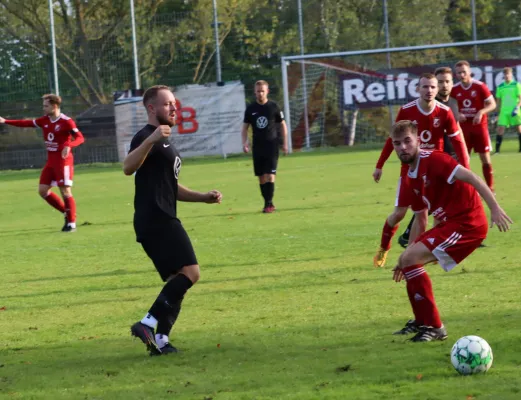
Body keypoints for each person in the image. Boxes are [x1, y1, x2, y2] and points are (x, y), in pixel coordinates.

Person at [389, 120, 512, 342]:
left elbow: (472, 177)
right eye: (398, 143)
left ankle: (436, 327)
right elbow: (420, 218)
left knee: (411, 258)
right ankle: (422, 320)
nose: (403, 147)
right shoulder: (410, 176)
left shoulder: (435, 160)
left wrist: (494, 208)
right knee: (407, 259)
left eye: (408, 141)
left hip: (468, 224)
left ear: (418, 140)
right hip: (448, 224)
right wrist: (406, 258)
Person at [123, 85, 222, 355]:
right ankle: (147, 323)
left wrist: (203, 197)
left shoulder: (166, 141)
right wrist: (151, 140)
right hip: (156, 218)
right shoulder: (146, 136)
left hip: (159, 217)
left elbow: (171, 187)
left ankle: (162, 340)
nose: (174, 108)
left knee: (178, 281)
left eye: (174, 103)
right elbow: (127, 167)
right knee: (192, 273)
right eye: (167, 104)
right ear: (152, 108)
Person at [372, 73, 469, 268]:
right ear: (418, 89)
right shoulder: (407, 111)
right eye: (425, 87)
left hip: (435, 170)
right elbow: (393, 139)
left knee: (432, 214)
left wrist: (465, 170)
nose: (429, 91)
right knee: (399, 214)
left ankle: (418, 256)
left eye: (433, 87)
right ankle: (384, 248)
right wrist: (380, 164)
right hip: (410, 170)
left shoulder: (445, 112)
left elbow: (458, 141)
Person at [397, 67, 465, 248]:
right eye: (440, 82)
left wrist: (464, 162)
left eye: (447, 82)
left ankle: (434, 242)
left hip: (447, 159)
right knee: (430, 206)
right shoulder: (423, 108)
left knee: (438, 204)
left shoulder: (453, 105)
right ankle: (423, 242)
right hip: (432, 161)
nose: (443, 86)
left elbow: (458, 137)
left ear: (452, 84)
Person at [0, 94, 84, 232]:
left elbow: (80, 138)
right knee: (43, 191)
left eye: (45, 106)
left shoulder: (66, 121)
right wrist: (6, 121)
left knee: (65, 191)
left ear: (54, 106)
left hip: (63, 161)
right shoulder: (44, 120)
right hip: (51, 161)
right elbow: (25, 123)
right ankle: (67, 213)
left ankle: (72, 224)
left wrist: (69, 145)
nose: (43, 108)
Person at [242, 80, 288, 213]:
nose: (260, 93)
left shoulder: (274, 106)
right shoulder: (250, 109)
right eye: (258, 91)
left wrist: (285, 143)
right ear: (255, 92)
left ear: (267, 91)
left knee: (270, 174)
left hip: (272, 145)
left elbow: (283, 125)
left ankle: (269, 203)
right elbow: (244, 128)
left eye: (263, 91)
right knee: (261, 177)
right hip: (257, 146)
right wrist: (245, 143)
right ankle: (266, 202)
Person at [452, 60, 497, 191]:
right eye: (459, 73)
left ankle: (490, 188)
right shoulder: (455, 89)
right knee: (463, 159)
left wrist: (481, 112)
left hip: (479, 127)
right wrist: (458, 113)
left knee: (485, 159)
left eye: (464, 72)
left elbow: (492, 104)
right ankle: (466, 190)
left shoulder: (480, 86)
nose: (461, 75)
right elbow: (451, 107)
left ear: (470, 72)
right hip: (464, 128)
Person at [495, 66, 521, 153]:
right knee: (500, 129)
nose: (507, 76)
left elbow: (520, 98)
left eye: (508, 74)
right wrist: (497, 113)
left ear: (511, 74)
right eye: (505, 74)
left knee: (519, 128)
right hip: (504, 112)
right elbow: (498, 101)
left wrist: (517, 107)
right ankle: (497, 150)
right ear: (503, 75)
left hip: (515, 111)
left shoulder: (516, 85)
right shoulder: (500, 87)